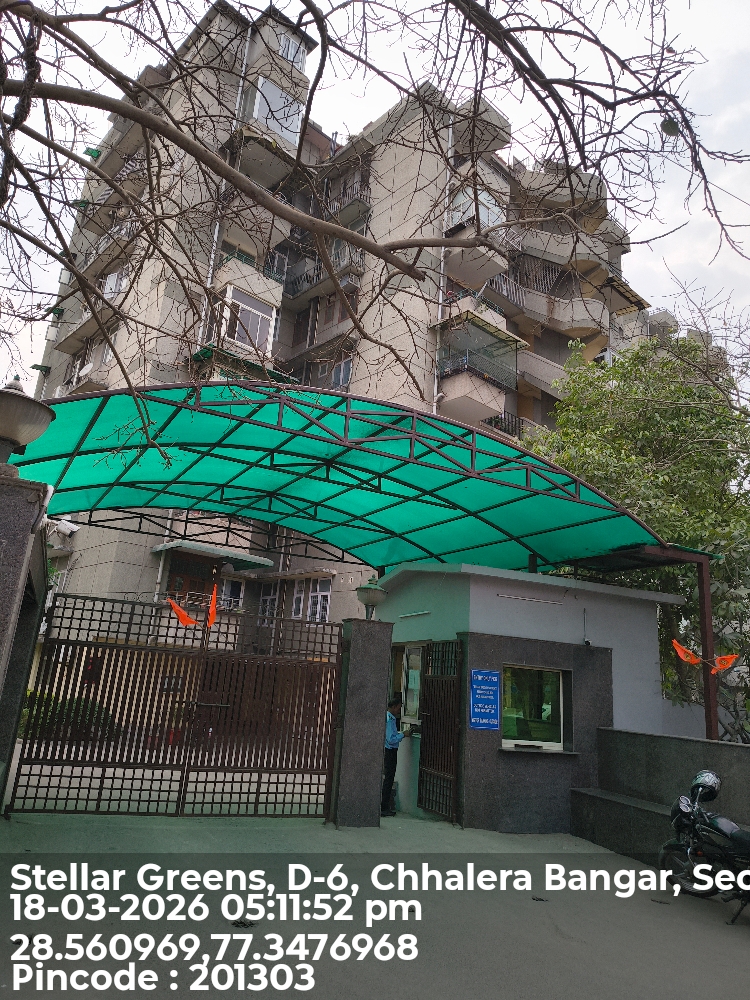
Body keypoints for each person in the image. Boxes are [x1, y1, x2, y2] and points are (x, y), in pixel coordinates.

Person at [381, 695, 411, 817]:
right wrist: (403, 735)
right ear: (393, 707)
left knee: (389, 778)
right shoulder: (389, 719)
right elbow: (391, 739)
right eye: (398, 708)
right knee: (389, 779)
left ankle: (384, 806)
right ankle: (383, 807)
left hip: (390, 750)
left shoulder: (390, 718)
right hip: (390, 751)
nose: (399, 711)